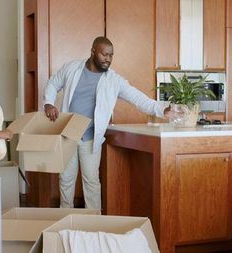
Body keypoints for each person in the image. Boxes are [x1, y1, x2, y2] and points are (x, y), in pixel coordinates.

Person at [43, 36, 170, 209]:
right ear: (93, 51)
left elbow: (138, 99)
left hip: (90, 138)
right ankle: (66, 219)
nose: (108, 59)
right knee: (65, 179)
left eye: (111, 55)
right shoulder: (71, 68)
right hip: (68, 134)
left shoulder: (114, 80)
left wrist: (162, 109)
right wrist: (49, 103)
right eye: (104, 54)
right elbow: (52, 83)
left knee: (91, 181)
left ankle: (94, 221)